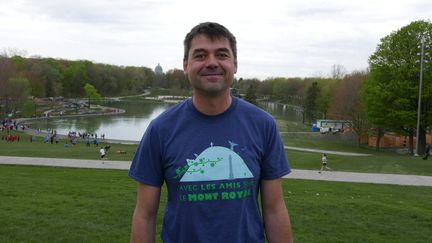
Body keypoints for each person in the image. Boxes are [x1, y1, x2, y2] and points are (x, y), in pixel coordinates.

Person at [129, 22, 293, 243]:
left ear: (234, 64)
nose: (212, 63)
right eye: (201, 55)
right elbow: (145, 214)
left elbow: (274, 209)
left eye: (222, 55)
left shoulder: (263, 125)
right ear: (186, 65)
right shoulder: (161, 129)